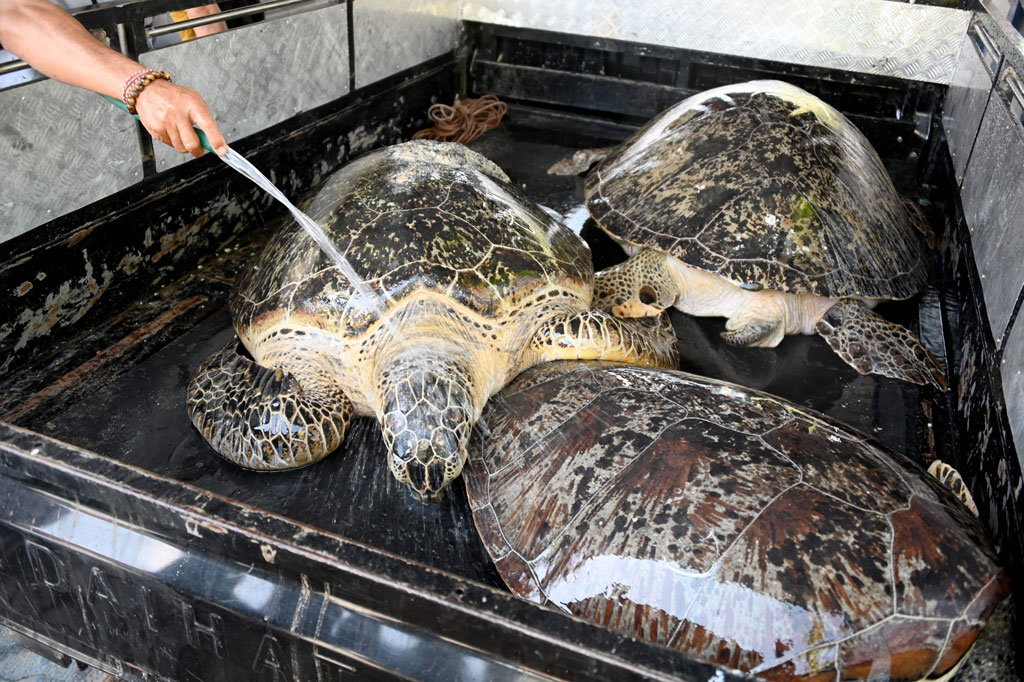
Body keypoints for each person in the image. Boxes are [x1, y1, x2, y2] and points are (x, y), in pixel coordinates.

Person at [0, 0, 228, 157]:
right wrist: (141, 87)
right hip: (48, 109)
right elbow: (13, 13)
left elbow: (203, 9)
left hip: (160, 68)